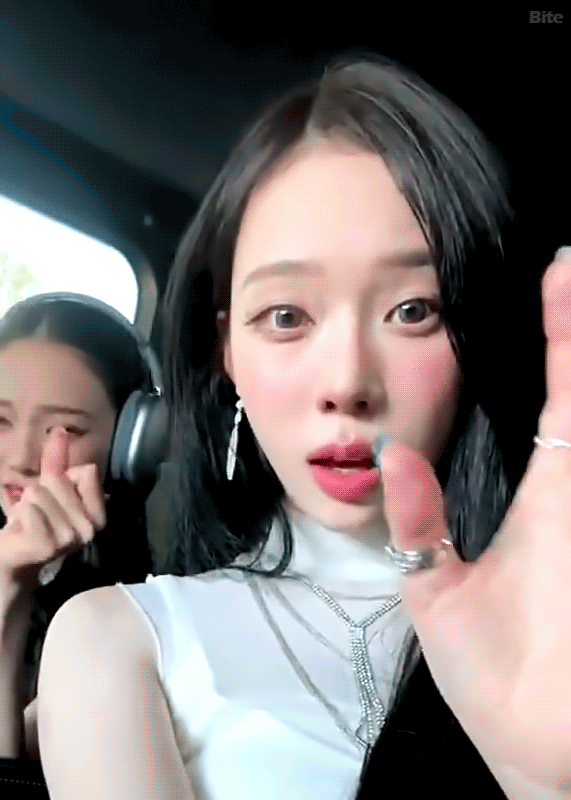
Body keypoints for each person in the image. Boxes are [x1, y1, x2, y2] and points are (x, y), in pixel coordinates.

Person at [34, 52, 570, 800]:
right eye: (286, 316)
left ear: (473, 334)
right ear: (227, 351)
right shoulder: (121, 642)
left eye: (412, 311)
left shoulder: (549, 635)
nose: (346, 384)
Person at [0, 293, 168, 785]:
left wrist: (14, 585)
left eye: (65, 429)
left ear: (133, 443)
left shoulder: (149, 600)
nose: (22, 459)